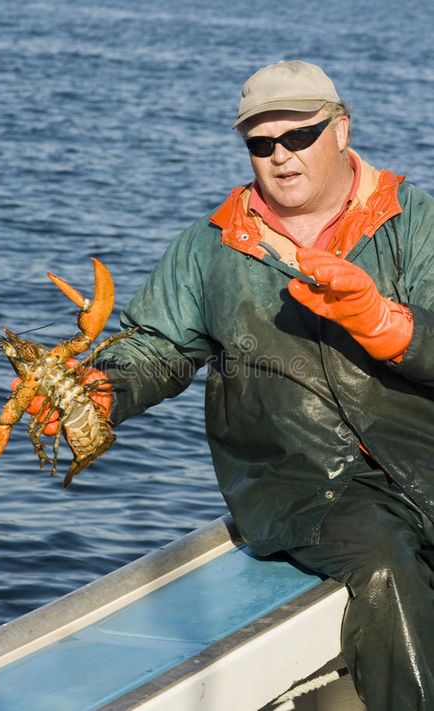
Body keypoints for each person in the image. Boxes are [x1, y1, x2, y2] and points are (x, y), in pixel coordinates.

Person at [36, 61, 434, 709]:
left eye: (299, 136)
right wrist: (105, 389)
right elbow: (155, 346)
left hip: (420, 458)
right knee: (385, 566)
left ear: (340, 129)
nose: (280, 156)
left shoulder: (411, 221)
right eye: (260, 143)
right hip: (301, 483)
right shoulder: (210, 247)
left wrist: (389, 326)